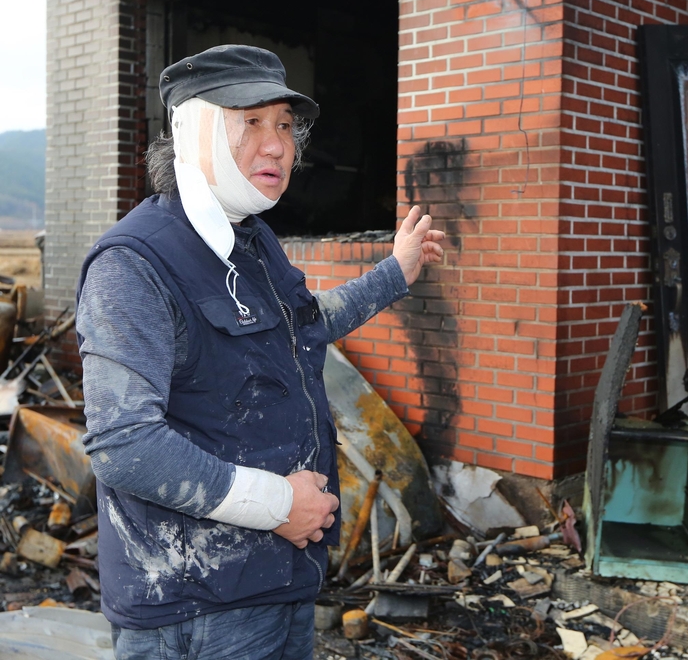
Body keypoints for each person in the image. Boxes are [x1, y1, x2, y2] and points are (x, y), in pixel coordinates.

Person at [76, 44, 444, 659]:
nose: (277, 146)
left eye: (284, 126)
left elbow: (305, 323)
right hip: (195, 611)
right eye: (251, 122)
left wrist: (395, 272)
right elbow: (123, 445)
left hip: (279, 584)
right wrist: (278, 505)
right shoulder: (133, 265)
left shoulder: (252, 242)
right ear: (194, 131)